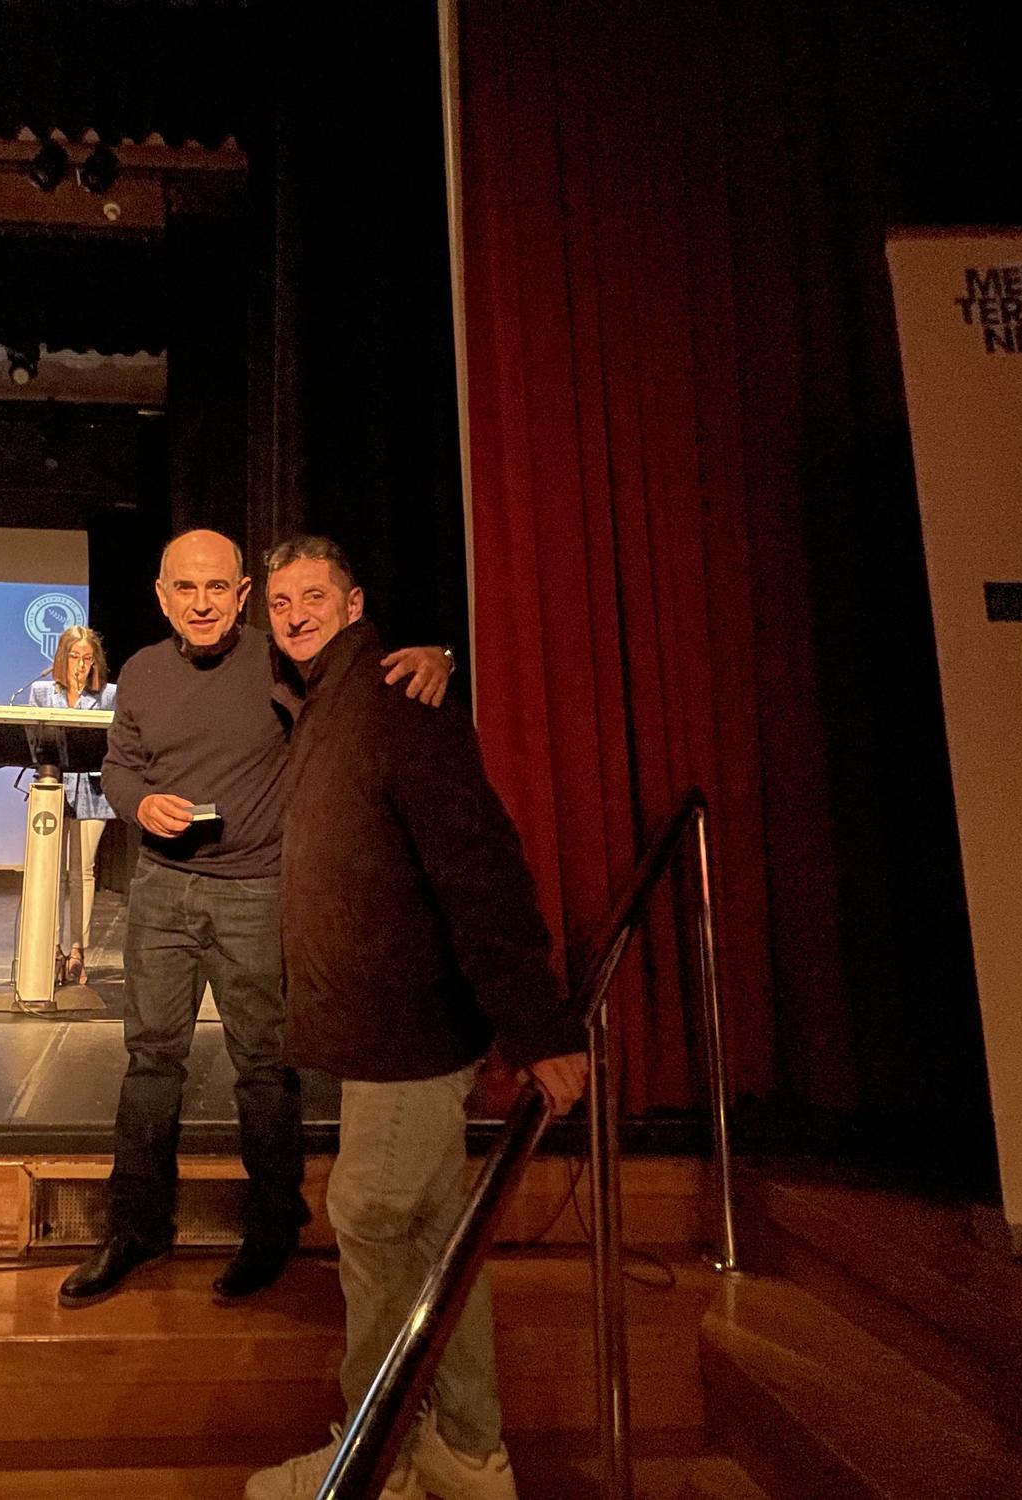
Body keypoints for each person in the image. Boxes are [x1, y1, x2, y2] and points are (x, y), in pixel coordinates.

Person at [246, 536, 590, 1500]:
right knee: (437, 1234)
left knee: (372, 1219)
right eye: (280, 602)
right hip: (381, 1035)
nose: (297, 611)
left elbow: (477, 863)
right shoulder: (329, 700)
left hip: (405, 1036)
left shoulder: (399, 701)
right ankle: (471, 1453)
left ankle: (377, 1463)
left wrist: (542, 1024)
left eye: (315, 595)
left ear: (355, 606)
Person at [58, 528, 453, 1311]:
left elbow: (363, 677)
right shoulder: (138, 671)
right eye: (185, 589)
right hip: (163, 891)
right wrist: (140, 803)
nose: (201, 604)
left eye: (217, 589)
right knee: (150, 1062)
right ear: (162, 595)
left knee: (266, 1072)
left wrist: (440, 652)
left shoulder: (280, 659)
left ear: (241, 596)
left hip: (257, 891)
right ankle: (137, 1227)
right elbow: (120, 765)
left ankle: (274, 1226)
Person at [20, 625, 117, 984]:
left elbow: (116, 745)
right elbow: (33, 740)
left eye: (87, 658)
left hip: (93, 791)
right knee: (50, 871)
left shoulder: (108, 695)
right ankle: (50, 949)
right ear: (63, 658)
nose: (81, 664)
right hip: (53, 790)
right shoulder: (42, 692)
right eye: (74, 657)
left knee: (82, 871)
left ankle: (77, 951)